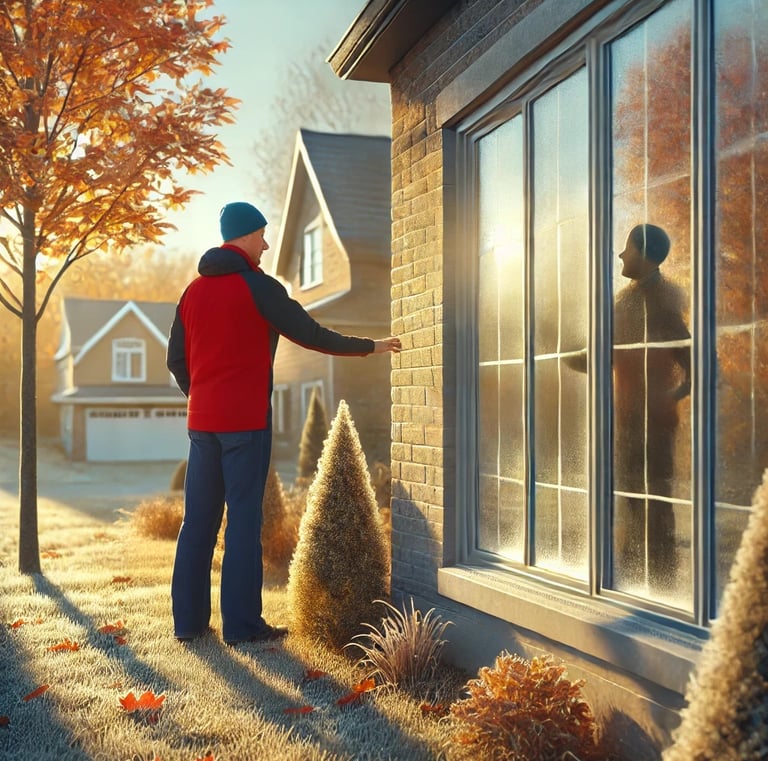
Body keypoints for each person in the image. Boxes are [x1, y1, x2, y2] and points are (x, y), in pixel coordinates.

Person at [166, 201, 401, 645]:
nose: (267, 244)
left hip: (202, 427)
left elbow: (175, 359)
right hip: (245, 424)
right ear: (245, 236)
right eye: (262, 235)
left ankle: (189, 624)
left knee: (197, 522)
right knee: (242, 522)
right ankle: (242, 626)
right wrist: (371, 345)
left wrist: (200, 398)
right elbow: (311, 335)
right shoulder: (260, 287)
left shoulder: (191, 293)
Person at [565, 223, 690, 591]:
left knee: (656, 504)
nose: (621, 255)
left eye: (627, 249)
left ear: (644, 254)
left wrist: (672, 396)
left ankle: (661, 581)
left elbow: (698, 362)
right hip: (626, 421)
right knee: (632, 501)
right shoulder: (626, 301)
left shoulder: (660, 304)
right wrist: (564, 351)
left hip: (654, 425)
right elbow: (604, 360)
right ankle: (635, 577)